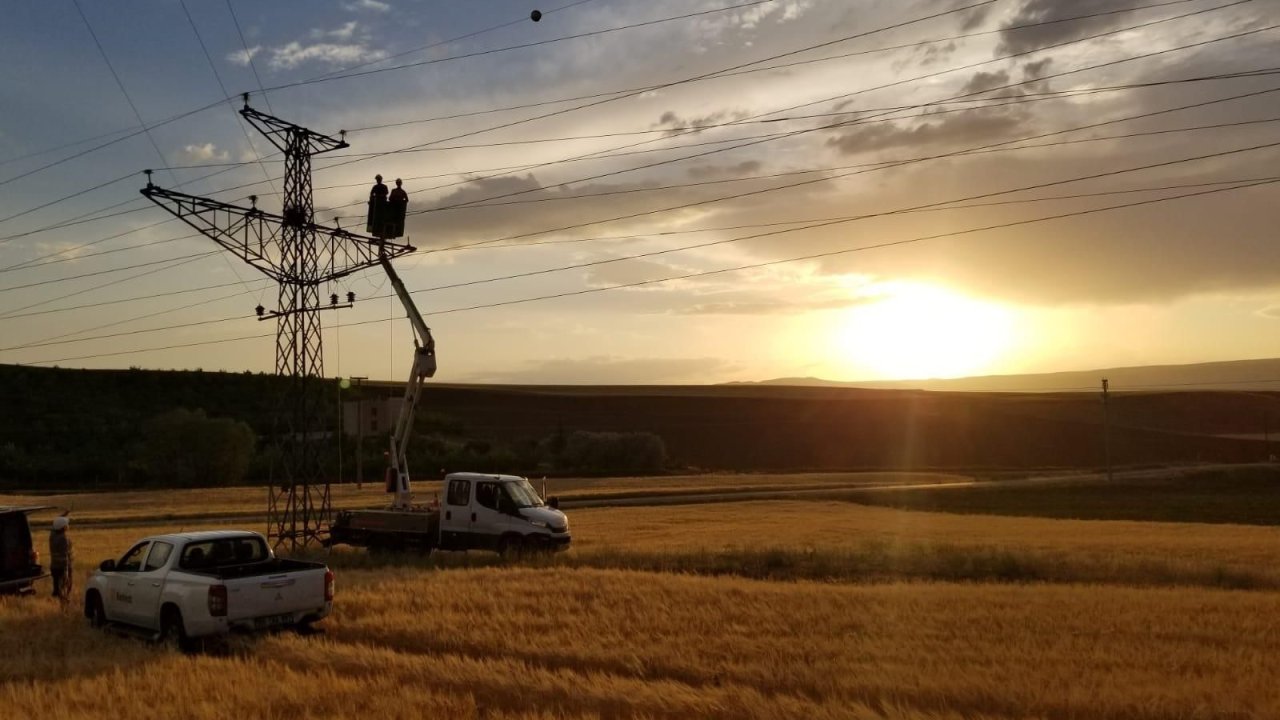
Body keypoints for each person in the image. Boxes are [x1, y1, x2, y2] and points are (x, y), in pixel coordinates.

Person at [49, 514, 72, 602]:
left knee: (58, 588)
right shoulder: (63, 539)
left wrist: (63, 515)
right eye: (66, 524)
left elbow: (54, 525)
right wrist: (66, 572)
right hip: (62, 567)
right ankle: (64, 604)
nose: (68, 526)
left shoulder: (52, 536)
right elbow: (65, 556)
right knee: (65, 587)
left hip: (54, 566)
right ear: (63, 527)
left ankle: (61, 599)